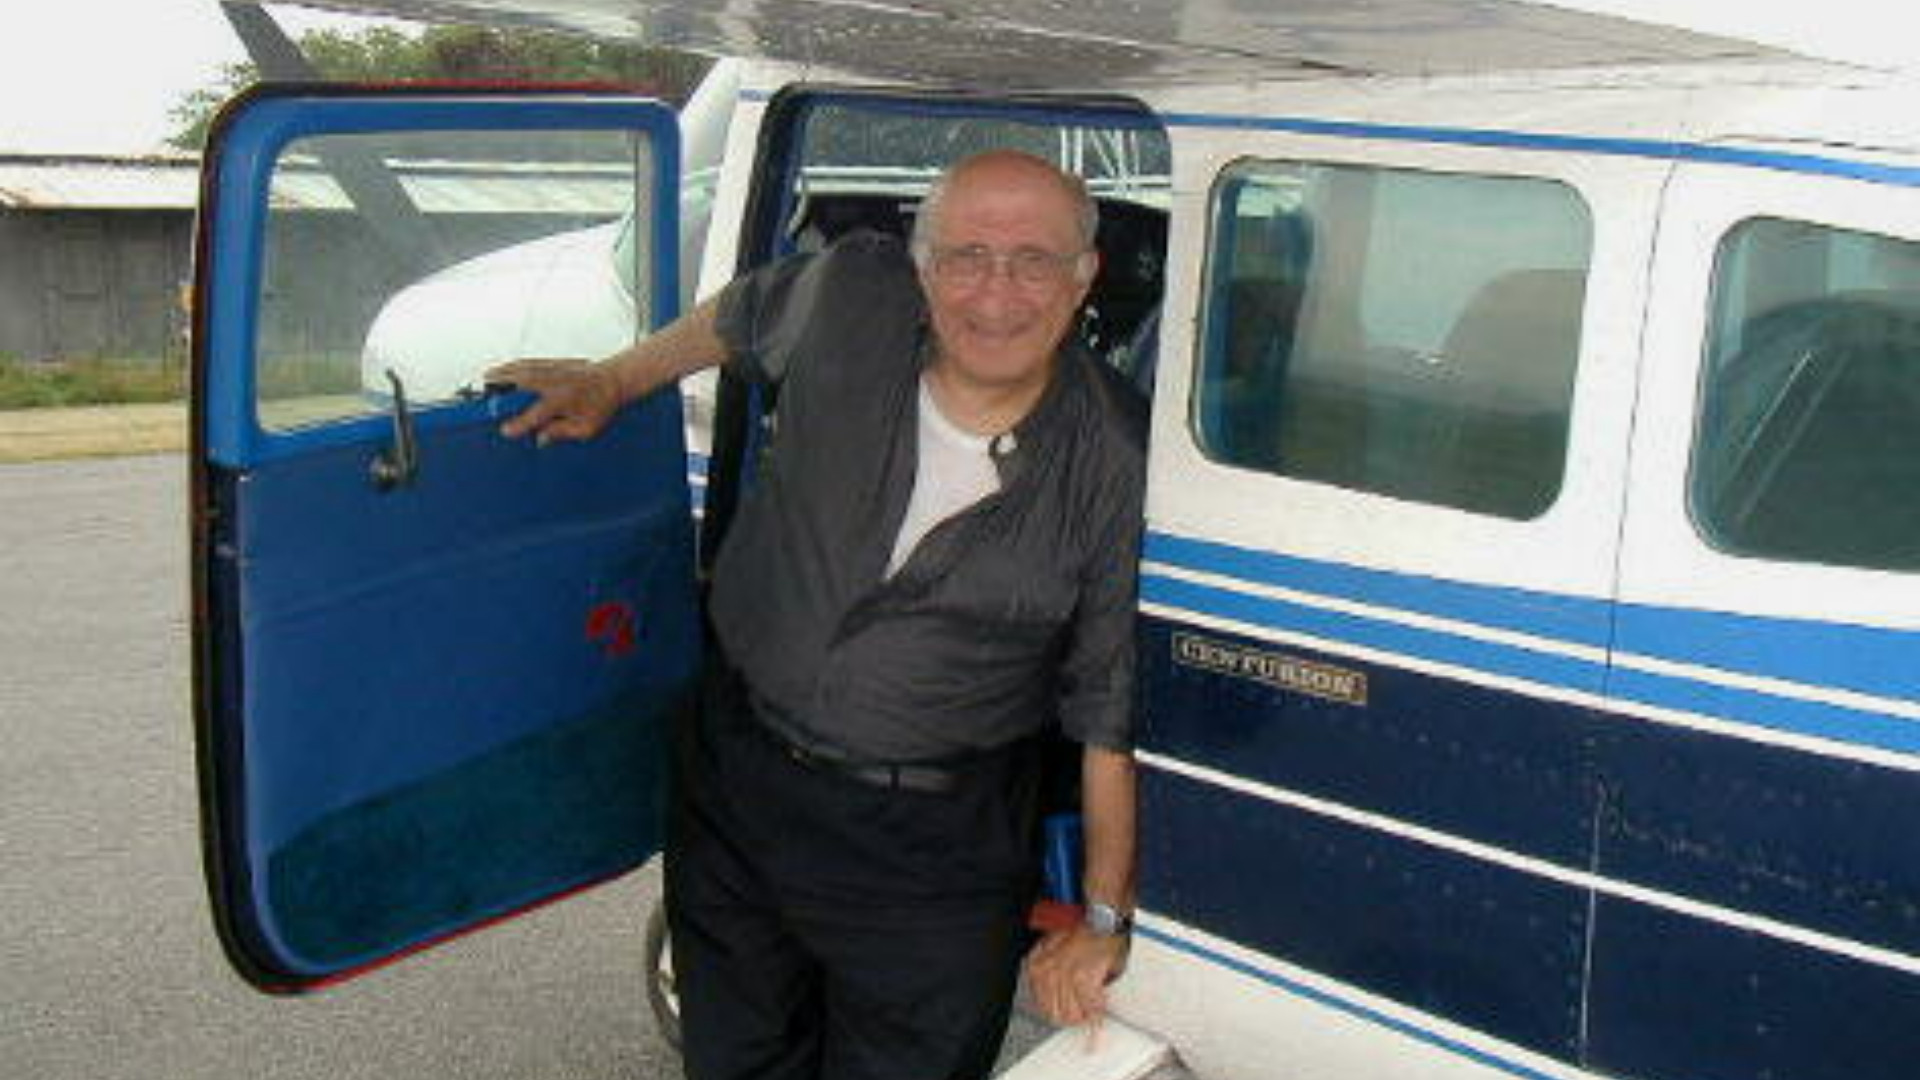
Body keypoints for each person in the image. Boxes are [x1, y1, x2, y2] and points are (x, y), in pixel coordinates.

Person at [488, 149, 1144, 1080]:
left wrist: (1104, 919)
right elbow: (737, 315)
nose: (996, 292)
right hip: (738, 783)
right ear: (922, 265)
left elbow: (1107, 710)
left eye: (1033, 260)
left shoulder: (1115, 457)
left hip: (930, 856)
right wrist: (614, 382)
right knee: (734, 1060)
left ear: (1084, 278)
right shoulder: (852, 295)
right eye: (966, 255)